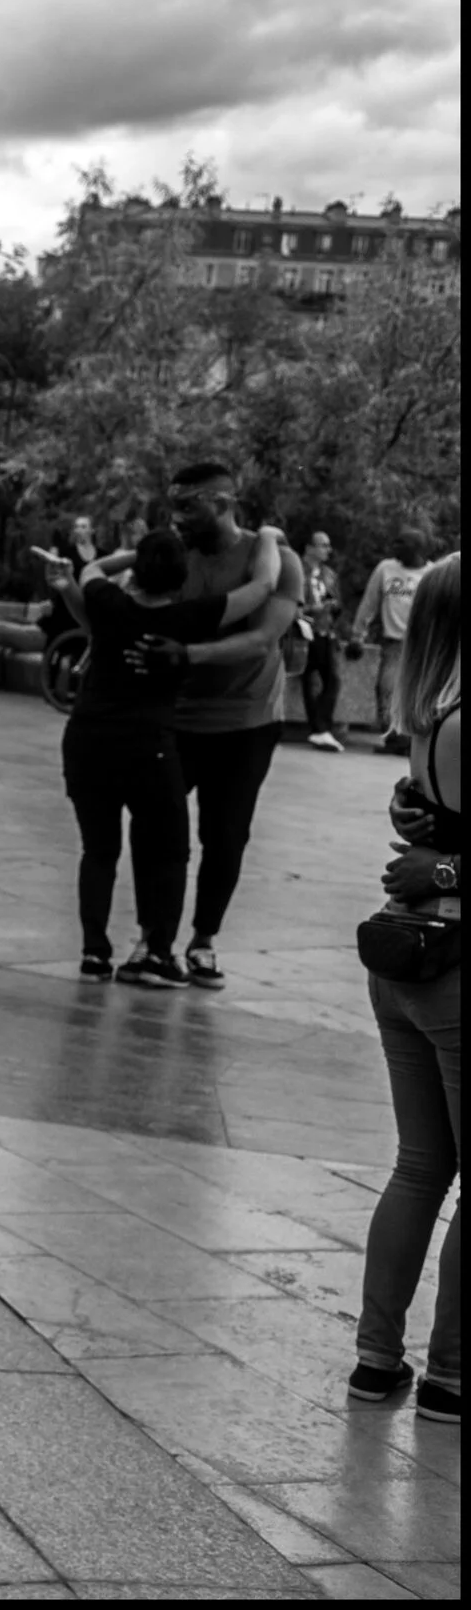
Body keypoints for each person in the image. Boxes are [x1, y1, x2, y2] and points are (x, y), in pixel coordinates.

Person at [49, 527, 283, 986]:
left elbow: (92, 568)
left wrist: (137, 555)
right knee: (170, 850)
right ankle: (159, 951)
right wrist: (270, 539)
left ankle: (95, 955)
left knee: (98, 850)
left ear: (136, 573)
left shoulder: (107, 602)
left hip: (87, 740)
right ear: (181, 580)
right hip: (147, 747)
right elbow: (262, 588)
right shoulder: (188, 618)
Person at [348, 551, 460, 1427]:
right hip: (456, 963)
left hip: (406, 961)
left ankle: (375, 1358)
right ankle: (451, 1376)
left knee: (420, 1165)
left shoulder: (425, 714)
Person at [130, 464, 302, 990]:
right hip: (172, 718)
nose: (176, 516)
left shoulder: (273, 560)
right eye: (172, 505)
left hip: (245, 721)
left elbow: (261, 639)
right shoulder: (174, 556)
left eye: (188, 506)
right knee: (154, 829)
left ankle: (203, 941)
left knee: (225, 837)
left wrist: (187, 655)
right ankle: (152, 942)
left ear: (224, 502)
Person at [0, 514, 100, 655]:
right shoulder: (66, 553)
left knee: (2, 630)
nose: (79, 530)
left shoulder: (102, 557)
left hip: (64, 629)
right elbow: (54, 582)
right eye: (77, 526)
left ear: (92, 530)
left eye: (84, 526)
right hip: (55, 618)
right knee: (7, 624)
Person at [355, 531, 433, 755]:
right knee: (387, 689)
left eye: (400, 542)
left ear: (417, 548)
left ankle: (412, 740)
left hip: (422, 645)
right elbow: (369, 603)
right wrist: (357, 635)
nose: (394, 546)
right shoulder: (385, 568)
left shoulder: (431, 574)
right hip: (394, 643)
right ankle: (393, 739)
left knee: (419, 692)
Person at [297, 531, 346, 753]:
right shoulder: (297, 570)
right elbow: (290, 603)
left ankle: (321, 727)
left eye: (328, 545)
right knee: (308, 680)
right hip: (303, 631)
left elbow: (337, 603)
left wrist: (333, 607)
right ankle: (318, 728)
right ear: (308, 548)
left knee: (332, 680)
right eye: (322, 545)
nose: (327, 550)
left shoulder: (329, 574)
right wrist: (311, 609)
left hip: (326, 632)